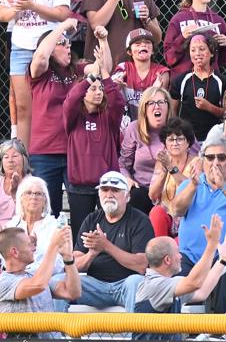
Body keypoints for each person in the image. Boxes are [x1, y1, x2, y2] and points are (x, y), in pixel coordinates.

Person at [0, 0, 72, 147]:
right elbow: (3, 14)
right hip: (21, 47)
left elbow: (63, 13)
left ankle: (53, 151)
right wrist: (16, 9)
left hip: (48, 47)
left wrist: (32, 5)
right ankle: (24, 156)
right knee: (23, 107)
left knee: (49, 104)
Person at [29, 20, 107, 218]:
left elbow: (102, 69)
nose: (68, 46)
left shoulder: (76, 71)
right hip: (45, 152)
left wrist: (103, 41)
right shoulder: (40, 73)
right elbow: (40, 56)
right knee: (47, 211)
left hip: (74, 150)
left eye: (69, 44)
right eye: (62, 44)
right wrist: (62, 27)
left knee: (81, 209)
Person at [173, 139, 226, 314]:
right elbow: (176, 210)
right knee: (172, 274)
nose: (215, 162)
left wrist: (224, 187)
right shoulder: (190, 184)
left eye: (221, 157)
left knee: (224, 267)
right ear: (203, 161)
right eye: (210, 158)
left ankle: (219, 331)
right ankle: (177, 330)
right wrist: (192, 187)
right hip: (190, 256)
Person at [134, 218, 226, 341]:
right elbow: (194, 283)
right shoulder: (154, 285)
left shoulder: (168, 285)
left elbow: (202, 292)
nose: (180, 256)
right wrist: (211, 245)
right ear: (167, 260)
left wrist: (223, 260)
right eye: (177, 252)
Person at [72, 171, 155, 312]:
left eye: (115, 190)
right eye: (104, 190)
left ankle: (134, 333)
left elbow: (142, 265)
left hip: (125, 286)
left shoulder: (140, 221)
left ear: (127, 196)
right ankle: (53, 333)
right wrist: (91, 254)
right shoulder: (91, 220)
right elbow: (73, 265)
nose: (109, 195)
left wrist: (106, 246)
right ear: (99, 194)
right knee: (60, 281)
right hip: (94, 287)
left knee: (136, 282)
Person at [65, 59, 126, 235]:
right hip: (79, 186)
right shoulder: (73, 118)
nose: (98, 92)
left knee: (110, 232)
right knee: (81, 233)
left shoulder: (109, 117)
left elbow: (118, 102)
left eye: (100, 89)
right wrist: (91, 77)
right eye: (93, 89)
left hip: (107, 186)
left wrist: (105, 75)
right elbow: (71, 99)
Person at [0, 225, 80, 340]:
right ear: (15, 252)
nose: (34, 248)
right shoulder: (2, 282)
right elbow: (38, 285)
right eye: (29, 244)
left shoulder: (34, 274)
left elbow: (72, 293)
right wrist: (53, 245)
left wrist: (68, 258)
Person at [164, 0, 226, 76]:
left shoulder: (218, 20)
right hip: (183, 79)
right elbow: (169, 57)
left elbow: (222, 61)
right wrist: (182, 37)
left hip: (210, 80)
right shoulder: (179, 18)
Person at [119, 87, 170, 215]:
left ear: (168, 106)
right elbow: (123, 164)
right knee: (134, 196)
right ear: (144, 109)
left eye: (161, 102)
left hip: (169, 191)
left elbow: (195, 157)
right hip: (141, 190)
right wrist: (128, 179)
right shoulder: (134, 129)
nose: (156, 106)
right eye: (151, 103)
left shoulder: (178, 129)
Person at [169, 34, 226, 141]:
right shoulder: (180, 80)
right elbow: (172, 112)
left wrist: (209, 107)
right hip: (187, 139)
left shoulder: (223, 82)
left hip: (214, 138)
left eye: (202, 49)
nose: (197, 53)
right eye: (193, 50)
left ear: (211, 53)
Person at [148, 117, 200, 238]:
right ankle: (158, 250)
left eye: (180, 139)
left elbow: (190, 188)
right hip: (167, 216)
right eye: (170, 139)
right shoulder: (162, 162)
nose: (175, 143)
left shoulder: (198, 162)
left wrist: (171, 168)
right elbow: (152, 195)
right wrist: (164, 172)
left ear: (188, 143)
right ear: (165, 143)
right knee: (157, 212)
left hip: (187, 215)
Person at [6, 176, 63, 272]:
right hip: (17, 277)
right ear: (20, 199)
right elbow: (5, 260)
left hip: (47, 277)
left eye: (38, 194)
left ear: (45, 200)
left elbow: (59, 264)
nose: (33, 197)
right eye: (28, 193)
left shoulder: (55, 227)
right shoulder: (11, 226)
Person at [112, 28, 170, 121]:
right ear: (129, 51)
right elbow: (110, 93)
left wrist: (154, 92)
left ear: (153, 50)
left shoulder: (162, 72)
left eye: (147, 43)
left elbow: (158, 105)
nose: (143, 45)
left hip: (151, 123)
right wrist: (115, 86)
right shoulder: (123, 68)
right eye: (137, 44)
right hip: (125, 125)